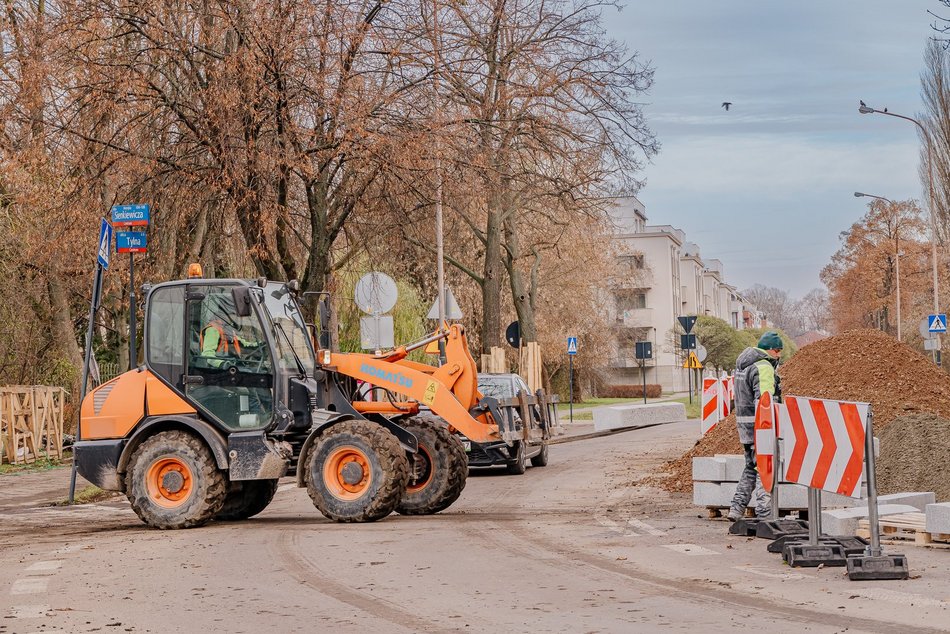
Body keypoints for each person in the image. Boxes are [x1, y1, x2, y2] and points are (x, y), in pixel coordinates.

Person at [727, 331, 783, 522]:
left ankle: (736, 509)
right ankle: (765, 513)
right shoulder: (763, 367)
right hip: (761, 427)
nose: (779, 355)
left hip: (744, 427)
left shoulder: (742, 365)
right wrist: (769, 428)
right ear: (769, 350)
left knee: (751, 467)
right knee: (764, 469)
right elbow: (765, 402)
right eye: (777, 351)